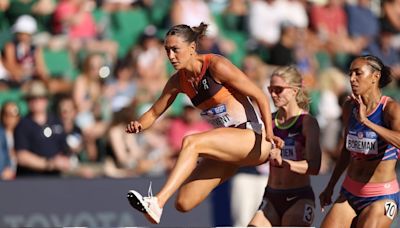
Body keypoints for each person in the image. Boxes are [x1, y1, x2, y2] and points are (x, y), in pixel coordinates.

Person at [126, 22, 283, 224]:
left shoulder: (216, 65)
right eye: (167, 51)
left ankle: (157, 202)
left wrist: (269, 134)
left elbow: (260, 96)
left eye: (175, 50)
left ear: (192, 48)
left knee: (192, 142)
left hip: (254, 139)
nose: (171, 56)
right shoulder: (178, 81)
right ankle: (160, 203)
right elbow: (155, 112)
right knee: (184, 202)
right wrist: (138, 124)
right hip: (229, 147)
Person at [319, 55, 400, 228]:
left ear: (375, 77)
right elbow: (346, 151)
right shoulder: (349, 107)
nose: (352, 79)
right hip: (350, 192)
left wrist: (367, 122)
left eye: (358, 73)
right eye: (350, 74)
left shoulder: (390, 109)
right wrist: (330, 186)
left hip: (381, 196)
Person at [248, 66, 321, 227]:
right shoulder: (269, 121)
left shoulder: (307, 122)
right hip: (271, 195)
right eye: (270, 89)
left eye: (278, 89)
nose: (273, 94)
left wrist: (284, 162)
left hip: (298, 197)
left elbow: (314, 167)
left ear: (294, 91)